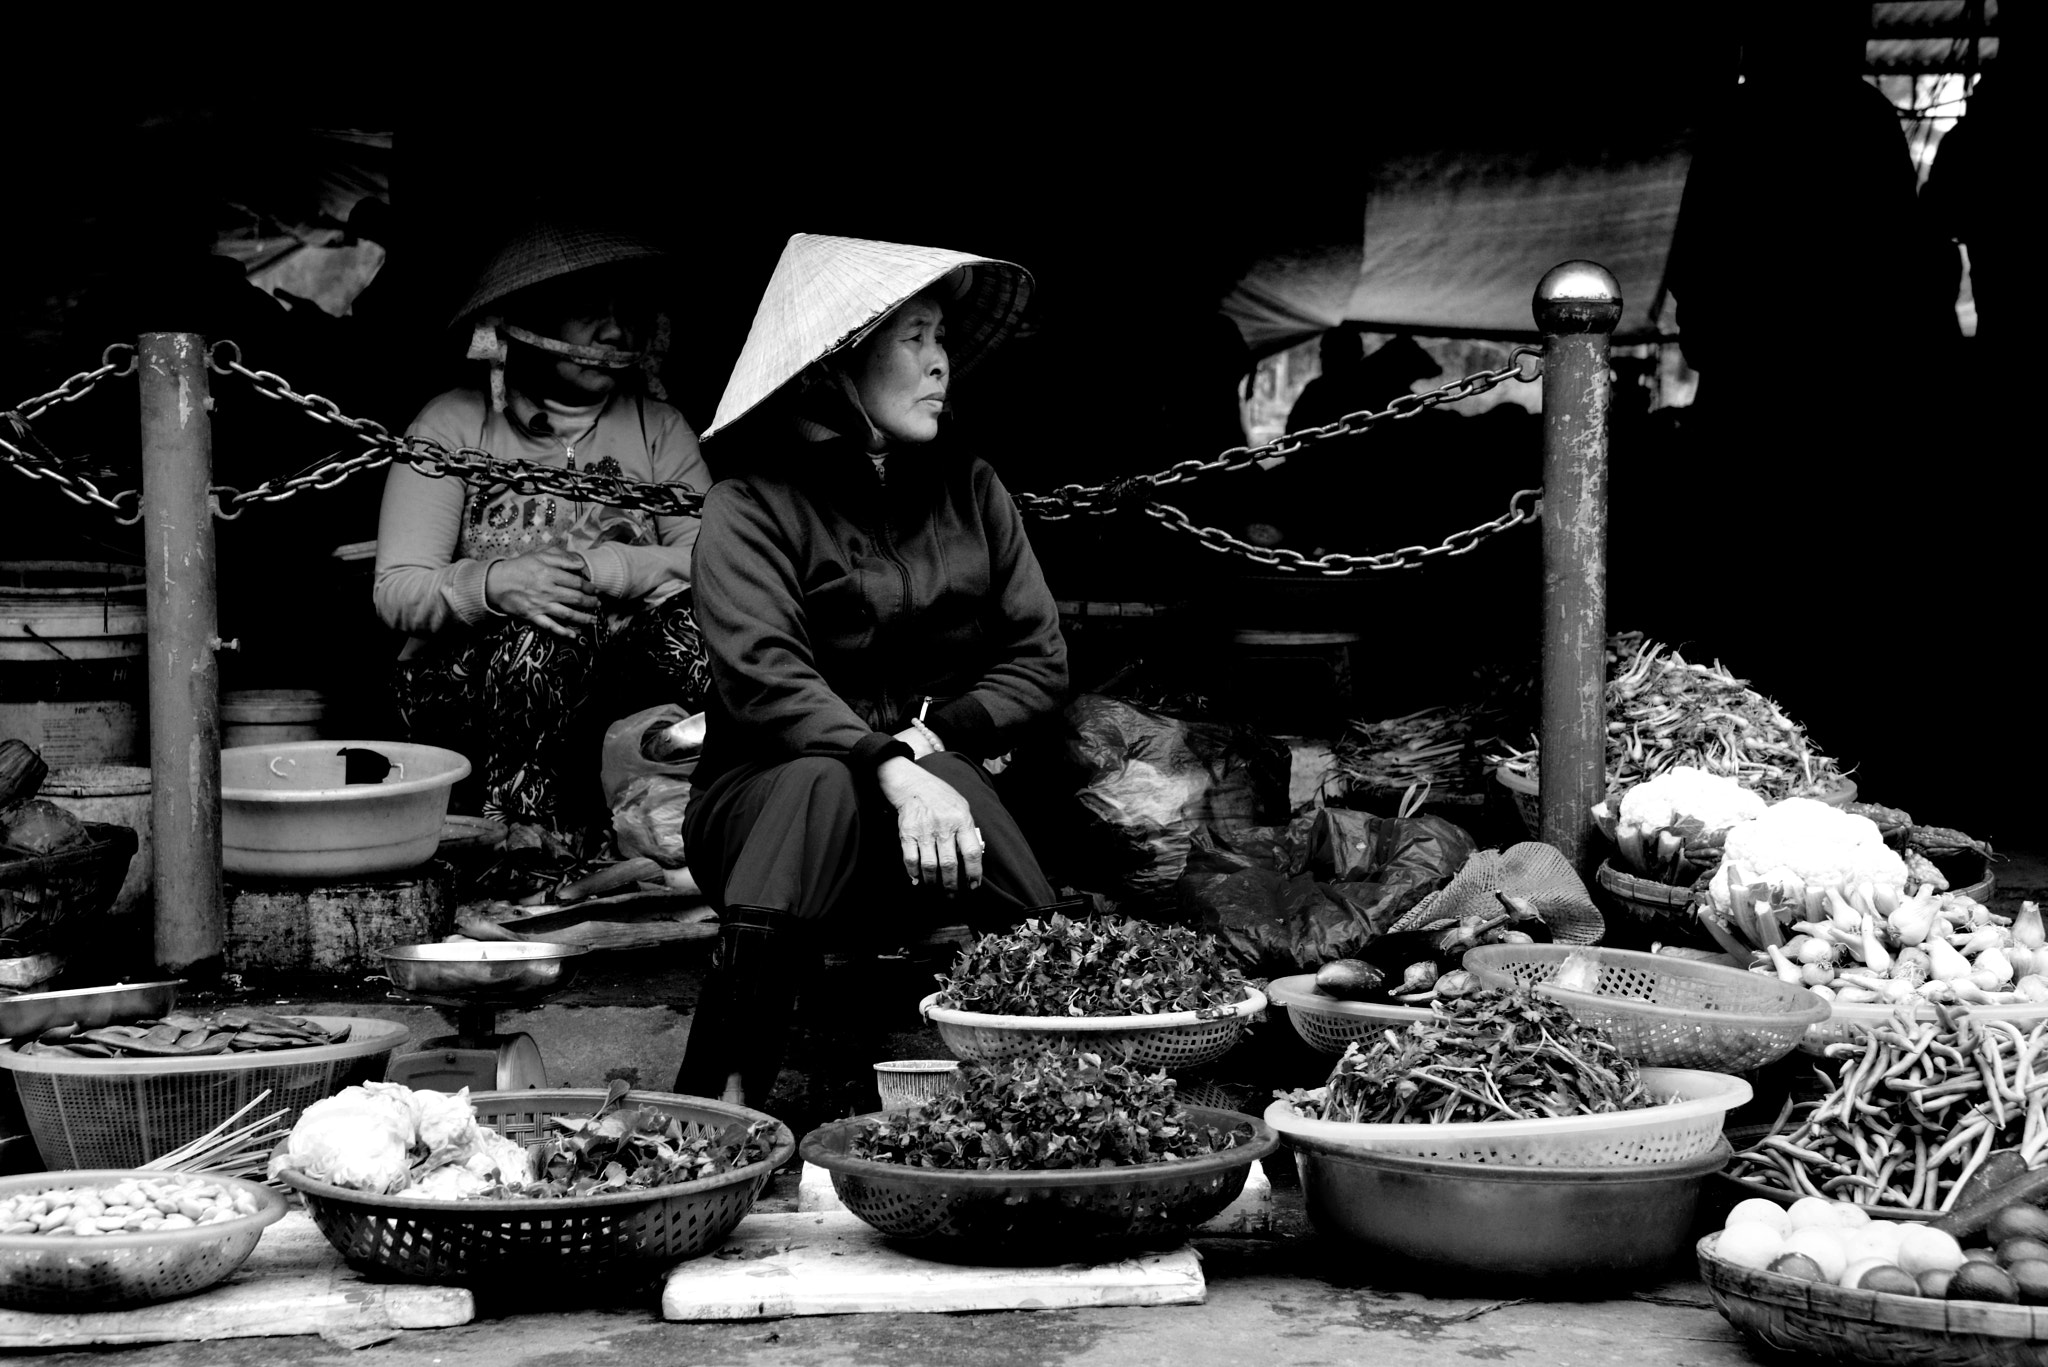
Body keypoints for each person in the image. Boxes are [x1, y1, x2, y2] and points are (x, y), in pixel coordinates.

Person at [673, 233, 1071, 1107]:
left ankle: (1077, 1065)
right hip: (764, 821)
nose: (941, 364)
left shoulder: (972, 488)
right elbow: (765, 678)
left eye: (941, 340)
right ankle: (714, 1108)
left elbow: (1039, 660)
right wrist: (886, 765)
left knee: (955, 779)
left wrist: (931, 742)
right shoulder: (749, 504)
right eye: (915, 338)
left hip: (925, 831)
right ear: (839, 366)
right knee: (819, 779)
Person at [372, 221, 712, 838]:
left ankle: (715, 819)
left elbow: (715, 562)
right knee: (542, 632)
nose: (615, 332)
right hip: (473, 691)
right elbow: (397, 589)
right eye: (588, 312)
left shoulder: (658, 427)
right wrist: (496, 585)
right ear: (520, 323)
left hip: (613, 686)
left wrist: (607, 569)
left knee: (700, 623)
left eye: (626, 312)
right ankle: (522, 840)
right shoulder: (452, 423)